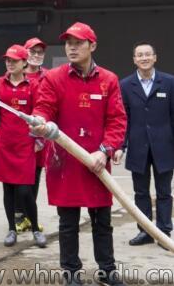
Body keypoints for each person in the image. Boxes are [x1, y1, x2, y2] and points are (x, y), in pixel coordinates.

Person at [30, 22, 126, 286]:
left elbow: (117, 120)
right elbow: (44, 107)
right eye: (68, 43)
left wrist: (105, 151)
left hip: (97, 161)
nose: (72, 48)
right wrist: (40, 120)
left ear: (92, 46)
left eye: (78, 43)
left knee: (102, 221)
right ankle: (71, 273)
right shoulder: (54, 78)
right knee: (68, 223)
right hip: (65, 161)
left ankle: (107, 270)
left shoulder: (108, 80)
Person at [0, 45, 46, 248]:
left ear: (24, 63)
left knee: (25, 190)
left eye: (14, 61)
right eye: (7, 60)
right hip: (5, 144)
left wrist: (40, 139)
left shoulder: (33, 85)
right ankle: (12, 229)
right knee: (8, 189)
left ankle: (35, 228)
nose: (9, 64)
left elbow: (39, 111)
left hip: (25, 143)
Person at [117, 42, 174, 247]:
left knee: (164, 192)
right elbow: (123, 119)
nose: (144, 58)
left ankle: (164, 231)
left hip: (164, 147)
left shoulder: (169, 83)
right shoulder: (125, 85)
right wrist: (121, 146)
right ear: (134, 60)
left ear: (155, 57)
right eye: (139, 55)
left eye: (148, 54)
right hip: (138, 147)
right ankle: (145, 231)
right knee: (140, 193)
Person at [15, 37, 49, 233]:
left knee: (35, 176)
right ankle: (18, 215)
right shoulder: (14, 74)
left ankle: (29, 216)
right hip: (20, 136)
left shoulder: (48, 76)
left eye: (40, 52)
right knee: (18, 178)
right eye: (32, 52)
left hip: (41, 137)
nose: (36, 55)